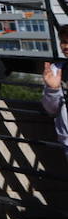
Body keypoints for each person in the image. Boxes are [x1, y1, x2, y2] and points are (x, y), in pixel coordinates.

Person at [42, 26, 68, 159]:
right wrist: (53, 89)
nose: (66, 46)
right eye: (63, 41)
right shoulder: (56, 70)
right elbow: (51, 110)